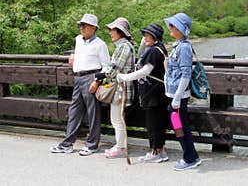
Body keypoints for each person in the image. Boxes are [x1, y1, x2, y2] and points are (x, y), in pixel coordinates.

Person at [50, 13, 111, 156]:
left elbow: (106, 66)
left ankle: (92, 144)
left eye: (84, 25)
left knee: (93, 113)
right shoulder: (78, 40)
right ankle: (67, 143)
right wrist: (73, 55)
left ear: (93, 28)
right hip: (77, 78)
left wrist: (96, 81)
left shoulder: (100, 45)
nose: (81, 28)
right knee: (74, 112)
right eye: (80, 25)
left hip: (91, 77)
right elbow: (80, 52)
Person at [116, 23, 169, 163]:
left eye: (147, 35)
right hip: (158, 93)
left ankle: (155, 152)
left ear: (154, 36)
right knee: (158, 122)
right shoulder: (159, 49)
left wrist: (125, 77)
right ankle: (161, 150)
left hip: (153, 94)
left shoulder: (153, 51)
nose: (144, 37)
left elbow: (146, 71)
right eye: (144, 34)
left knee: (153, 124)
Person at [91, 17, 135, 158]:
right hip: (121, 87)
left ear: (120, 32)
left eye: (112, 30)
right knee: (116, 118)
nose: (110, 33)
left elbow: (115, 69)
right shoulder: (125, 46)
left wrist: (100, 75)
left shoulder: (124, 47)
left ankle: (121, 147)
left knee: (117, 119)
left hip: (121, 88)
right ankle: (119, 145)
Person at [163, 13, 201, 171]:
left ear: (180, 29)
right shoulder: (177, 46)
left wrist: (177, 98)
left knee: (180, 127)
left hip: (178, 97)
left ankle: (190, 157)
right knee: (179, 127)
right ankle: (190, 156)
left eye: (173, 25)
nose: (170, 28)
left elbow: (186, 74)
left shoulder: (184, 47)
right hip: (173, 95)